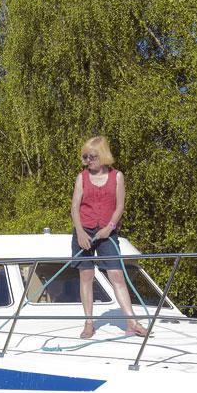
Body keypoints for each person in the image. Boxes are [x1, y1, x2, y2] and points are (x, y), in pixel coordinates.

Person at [69, 136, 147, 339]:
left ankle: (132, 321)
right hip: (83, 231)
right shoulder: (82, 177)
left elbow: (120, 206)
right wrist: (79, 232)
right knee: (86, 276)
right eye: (85, 157)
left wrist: (109, 228)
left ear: (102, 155)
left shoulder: (117, 176)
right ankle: (89, 324)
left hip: (108, 233)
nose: (87, 160)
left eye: (91, 156)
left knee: (117, 275)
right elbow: (74, 207)